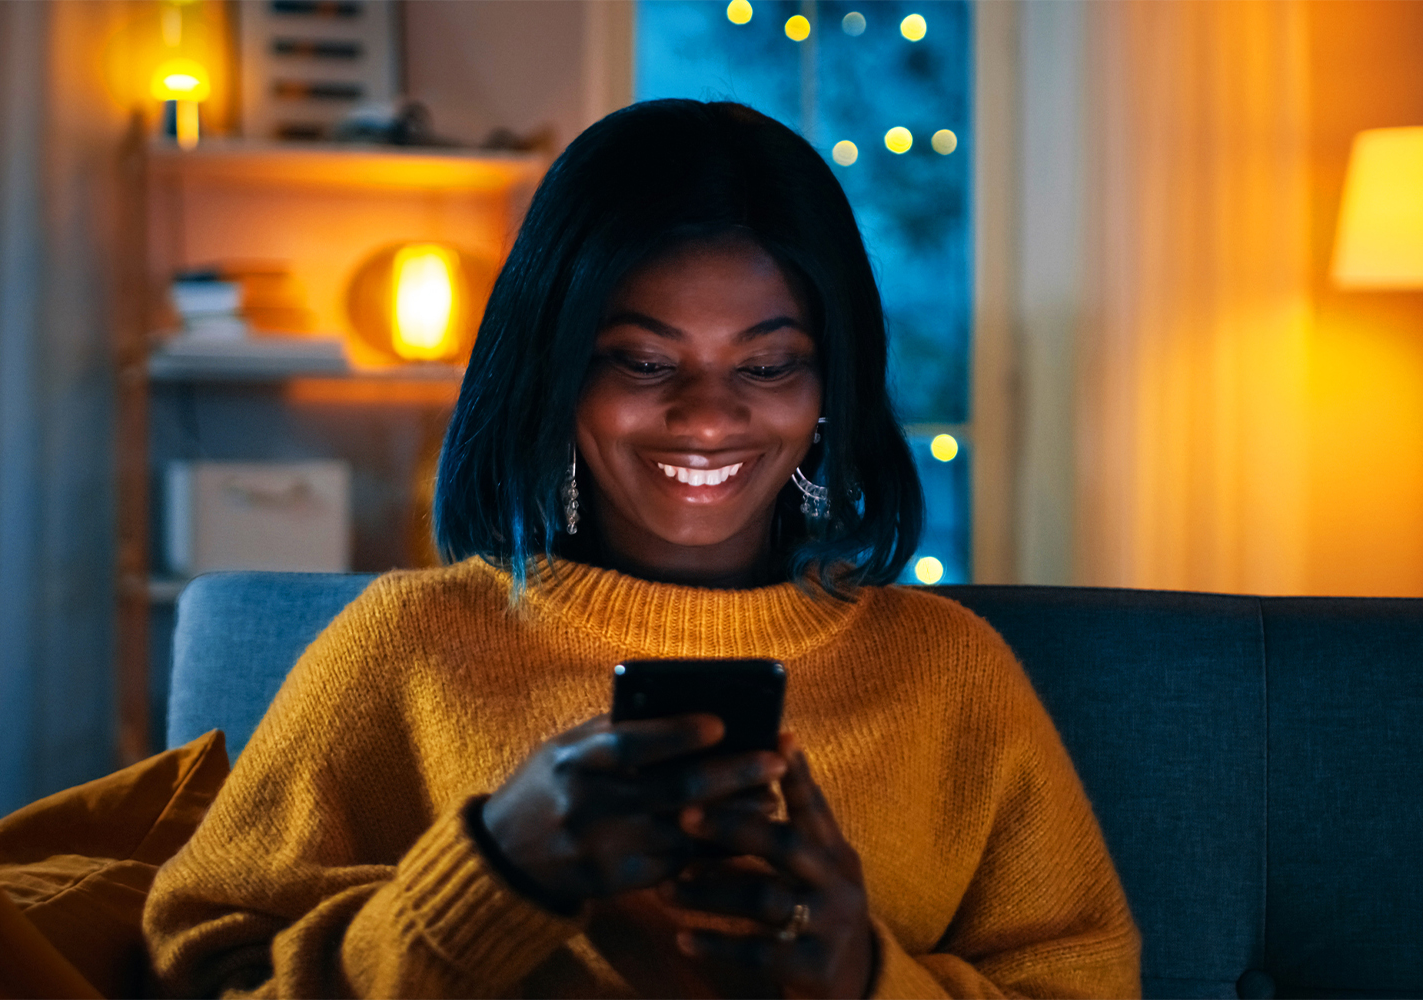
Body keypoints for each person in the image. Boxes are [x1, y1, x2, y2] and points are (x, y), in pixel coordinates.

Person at [144, 100, 1140, 999]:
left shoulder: (947, 671)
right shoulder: (407, 647)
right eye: (644, 359)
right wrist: (497, 874)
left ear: (829, 385)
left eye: (767, 362)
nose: (709, 414)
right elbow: (205, 976)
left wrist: (865, 979)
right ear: (559, 370)